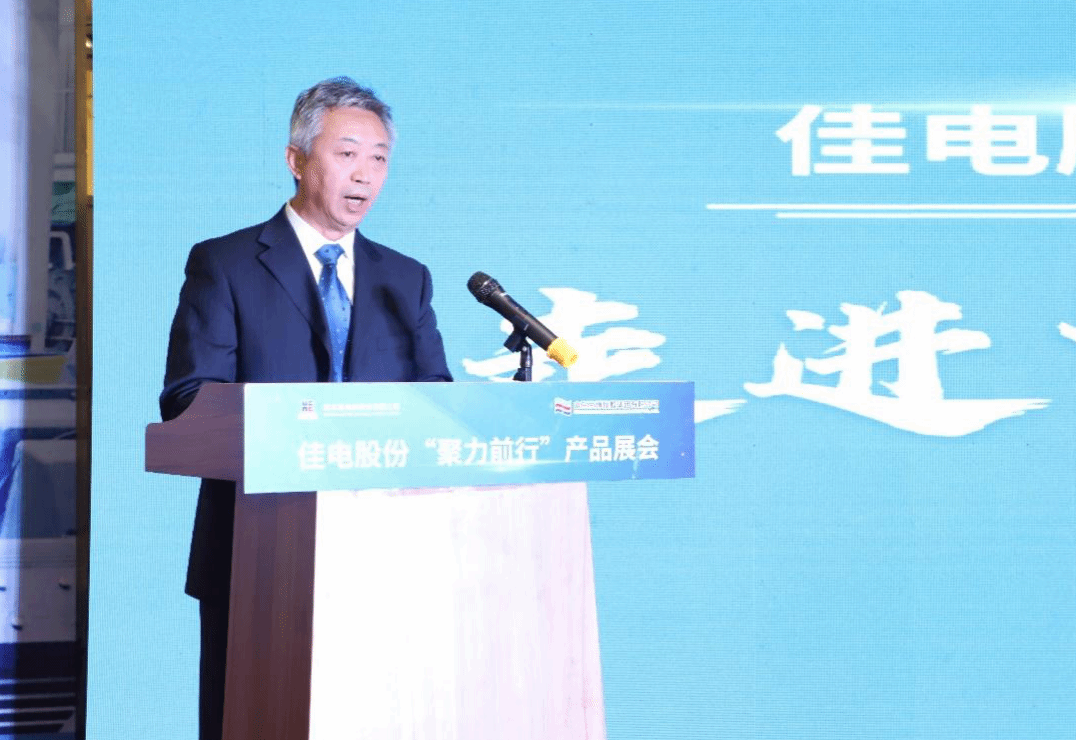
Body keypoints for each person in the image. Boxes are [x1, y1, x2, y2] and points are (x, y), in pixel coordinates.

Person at [159, 76, 452, 740]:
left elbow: (435, 403)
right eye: (347, 153)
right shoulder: (225, 264)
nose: (366, 174)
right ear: (296, 159)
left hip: (383, 557)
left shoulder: (406, 279)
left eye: (379, 158)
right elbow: (187, 399)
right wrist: (302, 426)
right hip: (258, 551)